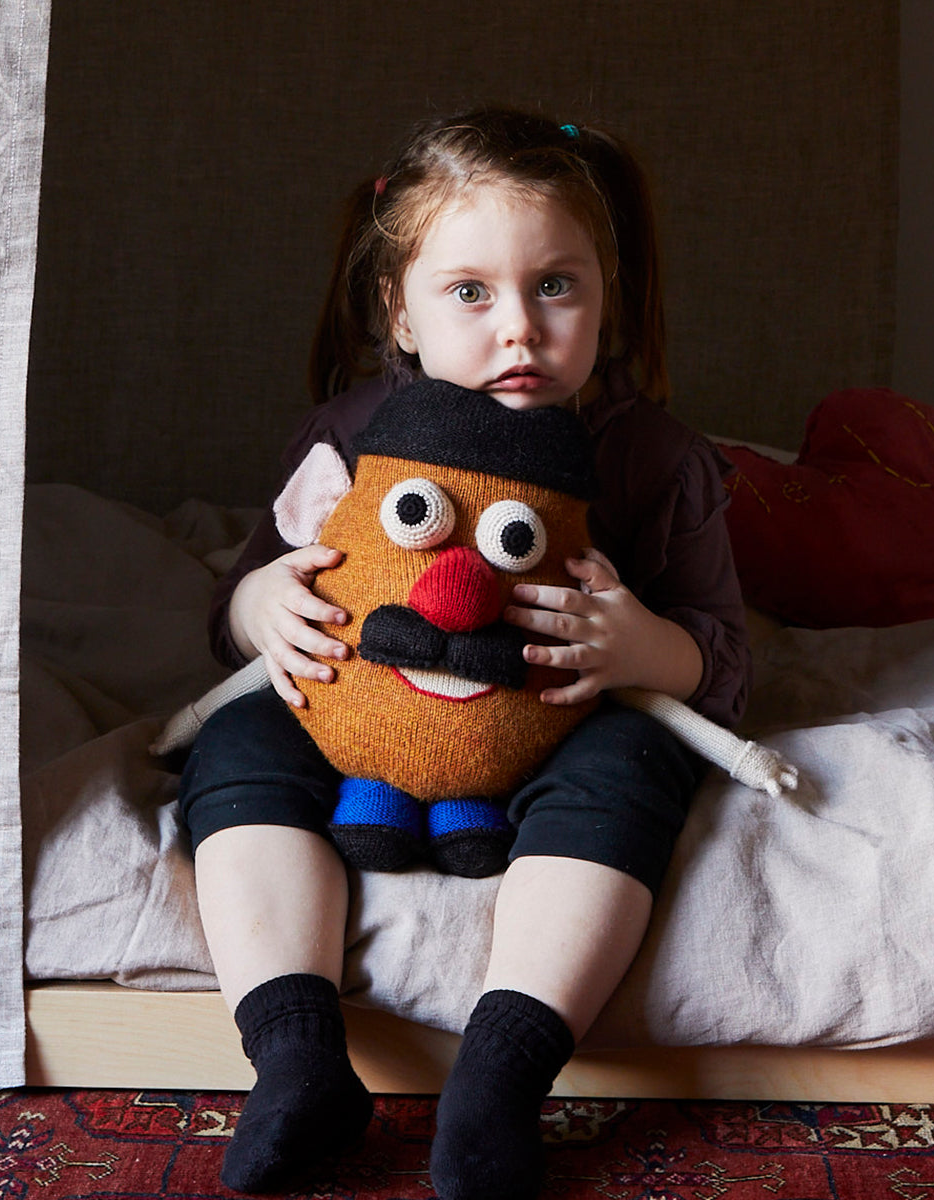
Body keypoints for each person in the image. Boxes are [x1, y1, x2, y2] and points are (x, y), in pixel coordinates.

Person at [177, 106, 751, 1199]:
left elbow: (723, 664)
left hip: (556, 727)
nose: (520, 330)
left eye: (556, 286)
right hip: (364, 720)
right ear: (398, 309)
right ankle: (296, 1055)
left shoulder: (657, 462)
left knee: (633, 766)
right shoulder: (348, 439)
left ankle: (501, 1075)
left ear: (608, 292)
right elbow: (231, 614)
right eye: (471, 292)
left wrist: (646, 648)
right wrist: (257, 609)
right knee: (245, 738)